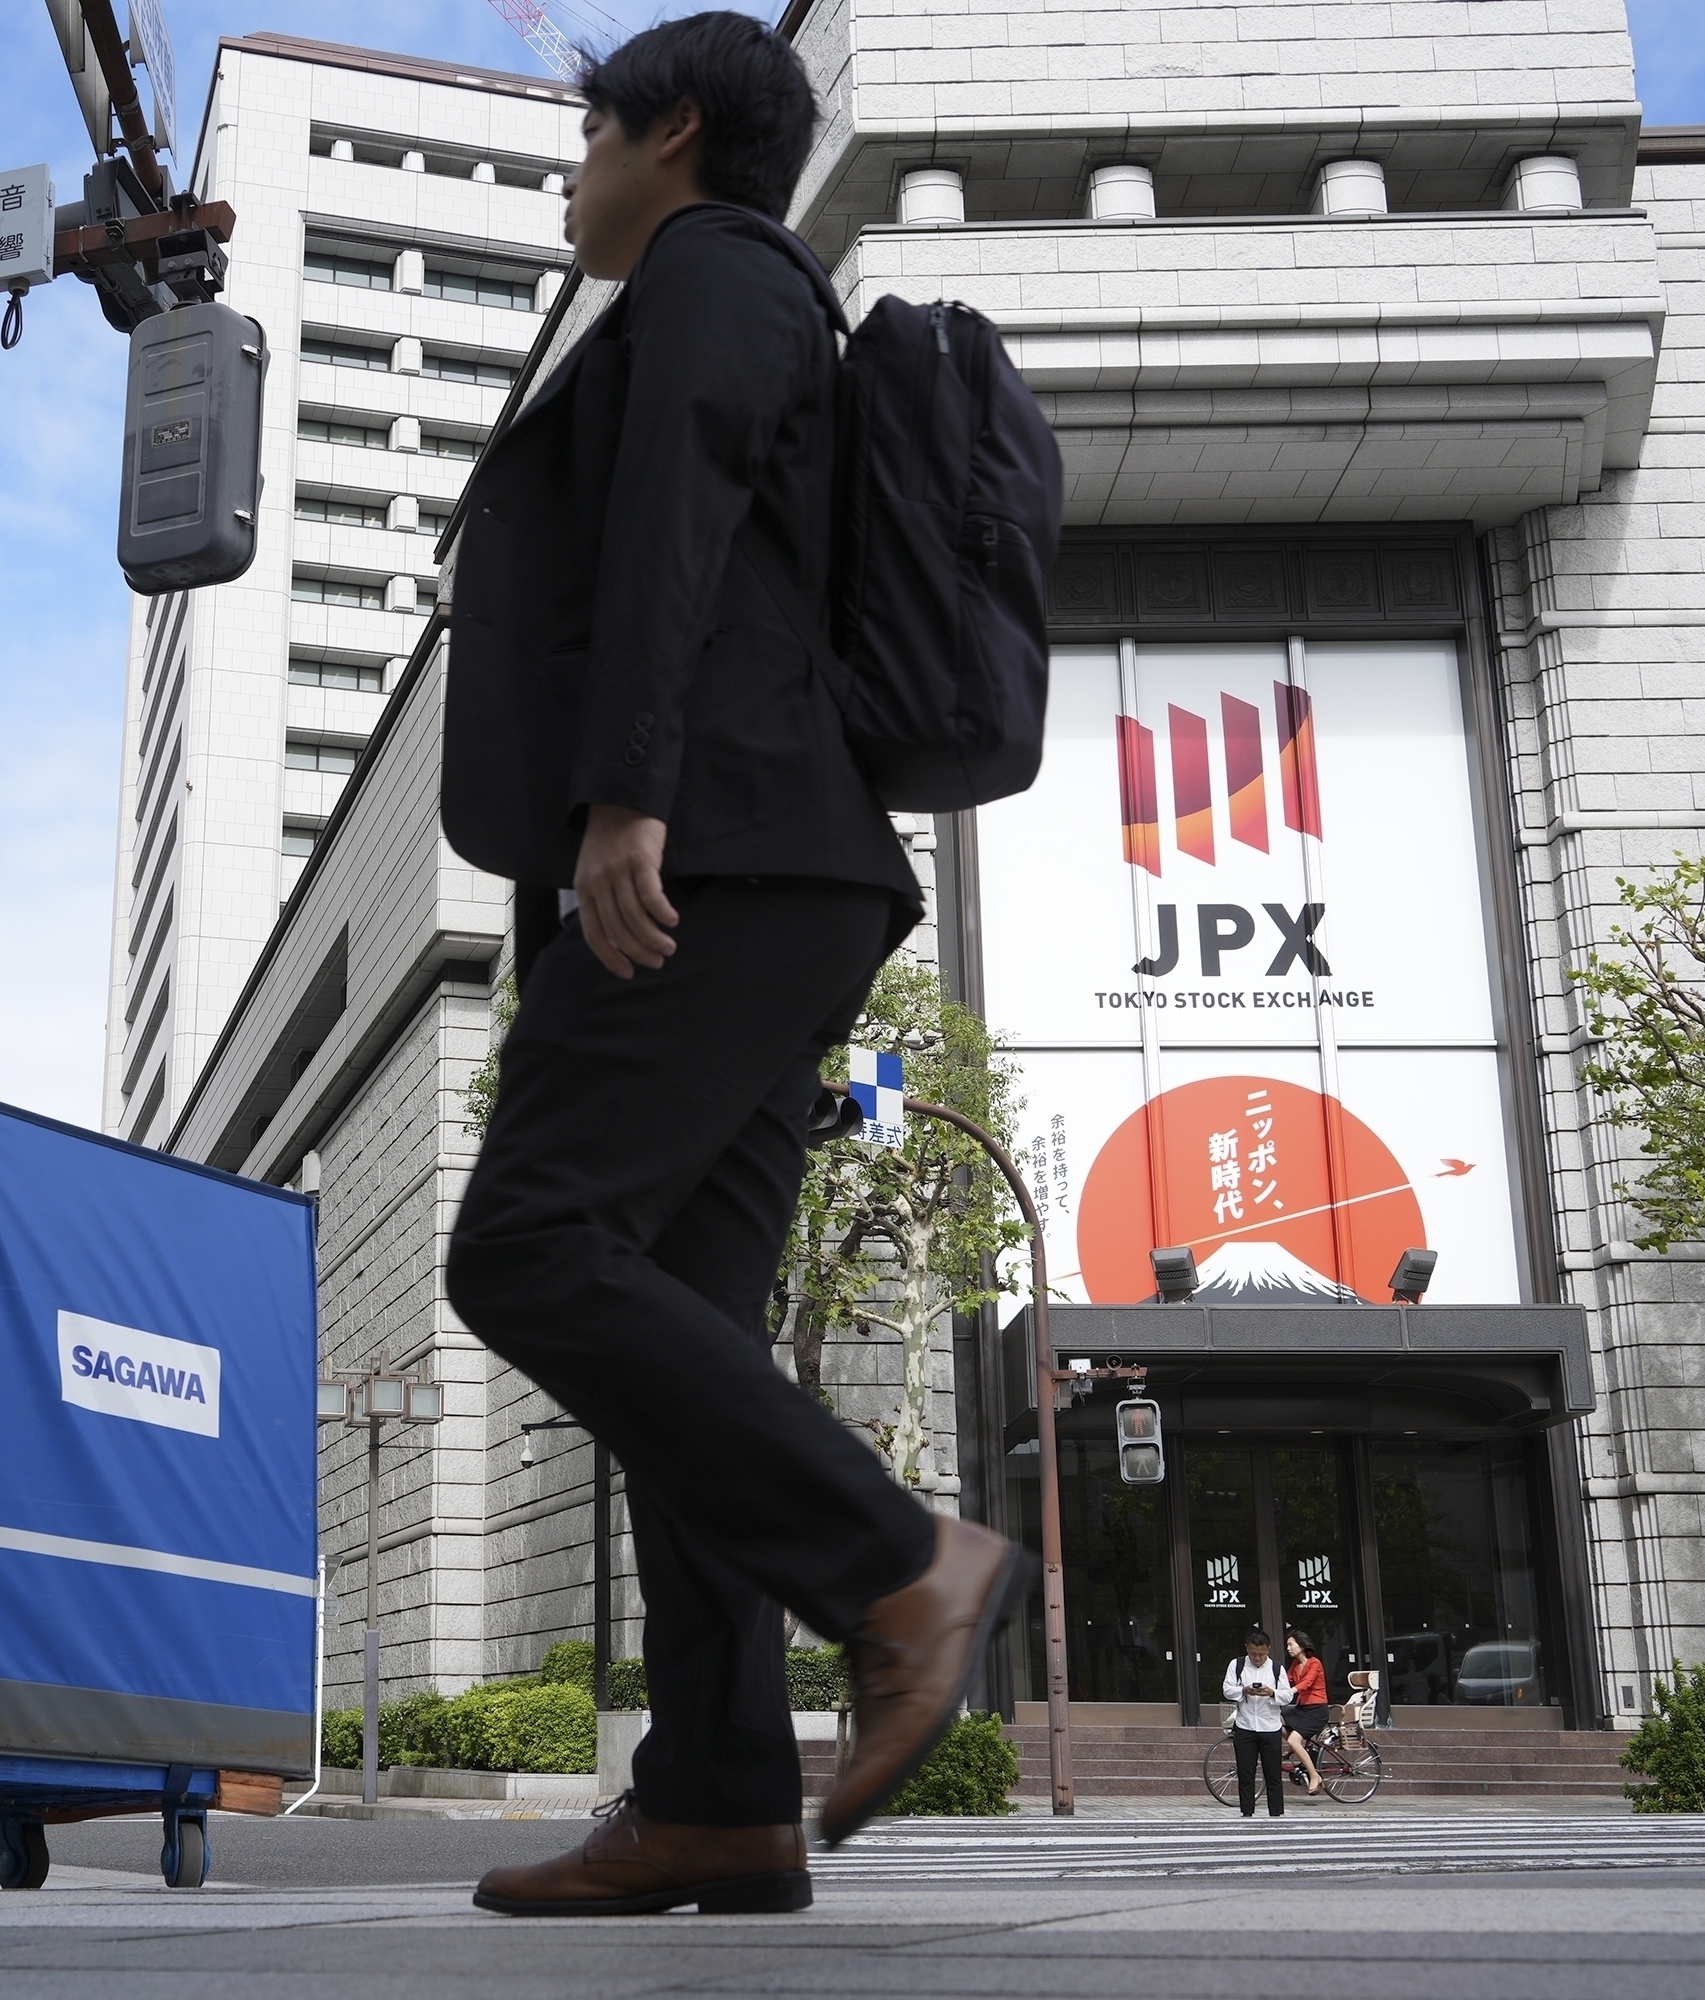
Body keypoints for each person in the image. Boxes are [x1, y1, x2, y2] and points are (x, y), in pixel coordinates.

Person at [440, 13, 1025, 1919]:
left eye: (581, 128)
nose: (570, 166)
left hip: (720, 847)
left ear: (669, 129)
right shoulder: (744, 288)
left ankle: (897, 1567)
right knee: (659, 1333)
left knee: (524, 1244)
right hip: (770, 856)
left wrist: (625, 799)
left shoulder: (718, 269)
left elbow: (674, 514)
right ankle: (715, 1798)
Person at [1223, 1628, 1290, 1818]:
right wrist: (1243, 1690)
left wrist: (1272, 1693)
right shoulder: (1237, 1665)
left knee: (1273, 1774)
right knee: (1245, 1773)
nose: (1257, 1658)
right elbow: (1227, 1689)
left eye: (1261, 1654)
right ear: (1246, 1649)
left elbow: (1287, 1696)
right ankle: (1247, 1812)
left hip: (1270, 1726)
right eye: (1253, 1654)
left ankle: (1276, 1813)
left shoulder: (1277, 1669)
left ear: (1268, 1649)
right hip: (1245, 1726)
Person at [1281, 1629, 1330, 1795]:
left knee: (1294, 1740)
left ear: (1301, 1645)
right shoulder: (1295, 1665)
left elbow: (1306, 1684)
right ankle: (1297, 1749)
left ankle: (1314, 1775)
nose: (1288, 1648)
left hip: (1317, 1711)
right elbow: (1286, 1681)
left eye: (1290, 1644)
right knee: (1276, 1721)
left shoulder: (1314, 1663)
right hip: (1303, 1709)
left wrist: (1291, 1692)